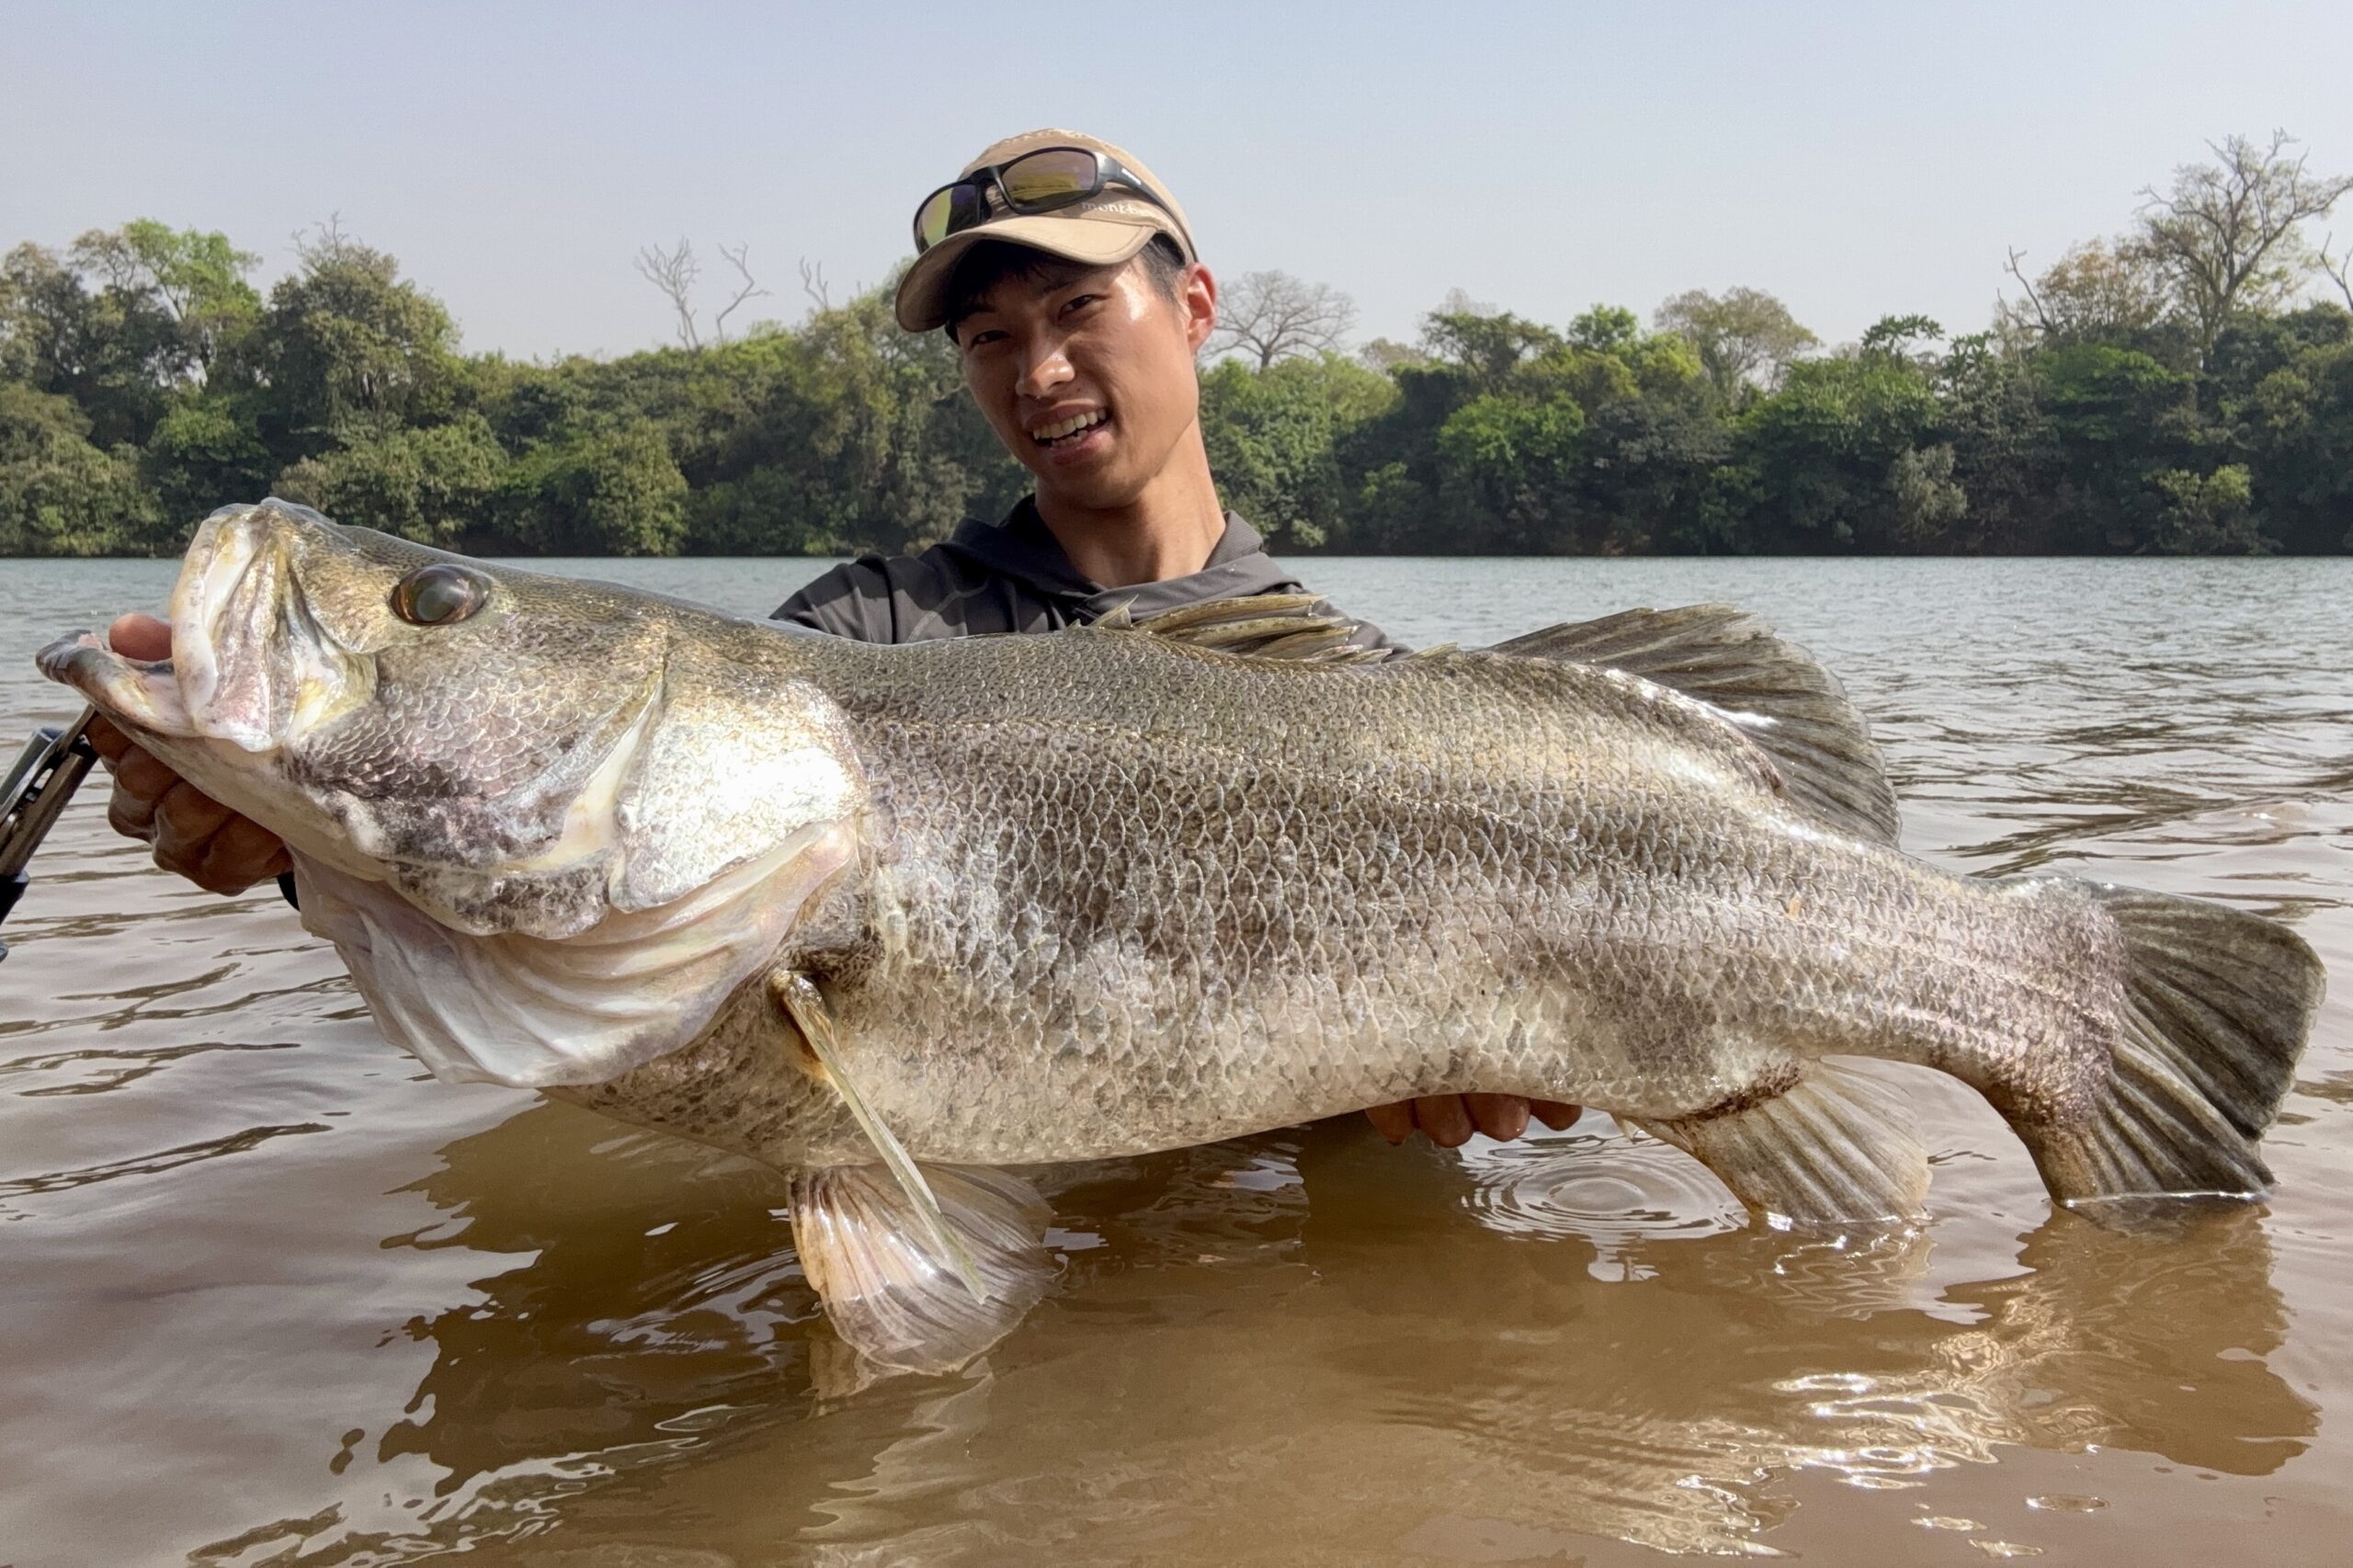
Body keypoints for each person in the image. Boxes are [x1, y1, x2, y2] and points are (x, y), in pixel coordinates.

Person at [87, 128, 1578, 1150]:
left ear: (1193, 307)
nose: (1039, 369)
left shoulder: (1374, 698)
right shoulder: (866, 633)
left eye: (1078, 308)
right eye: (990, 339)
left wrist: (1457, 1092)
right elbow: (643, 878)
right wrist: (303, 852)